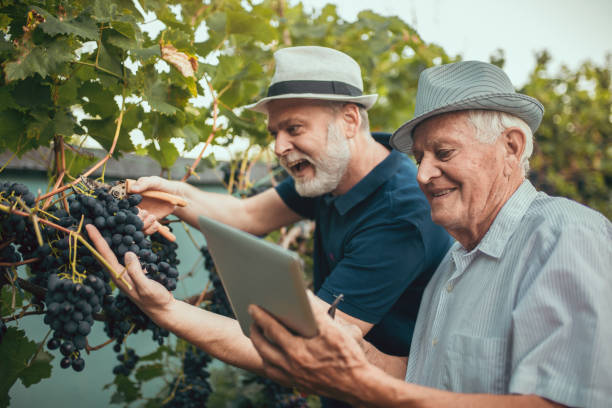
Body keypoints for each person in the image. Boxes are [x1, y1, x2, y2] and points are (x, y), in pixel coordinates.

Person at [86, 46, 451, 406]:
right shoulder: (330, 172)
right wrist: (175, 196)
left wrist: (165, 308)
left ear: (350, 121)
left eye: (293, 128)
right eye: (275, 131)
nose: (278, 146)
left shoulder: (400, 215)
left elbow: (302, 346)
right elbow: (248, 217)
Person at [247, 60, 612, 408]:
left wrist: (363, 388)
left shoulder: (565, 236)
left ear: (511, 147)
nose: (422, 174)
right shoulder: (451, 266)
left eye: (444, 152)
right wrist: (361, 359)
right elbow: (429, 380)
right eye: (420, 157)